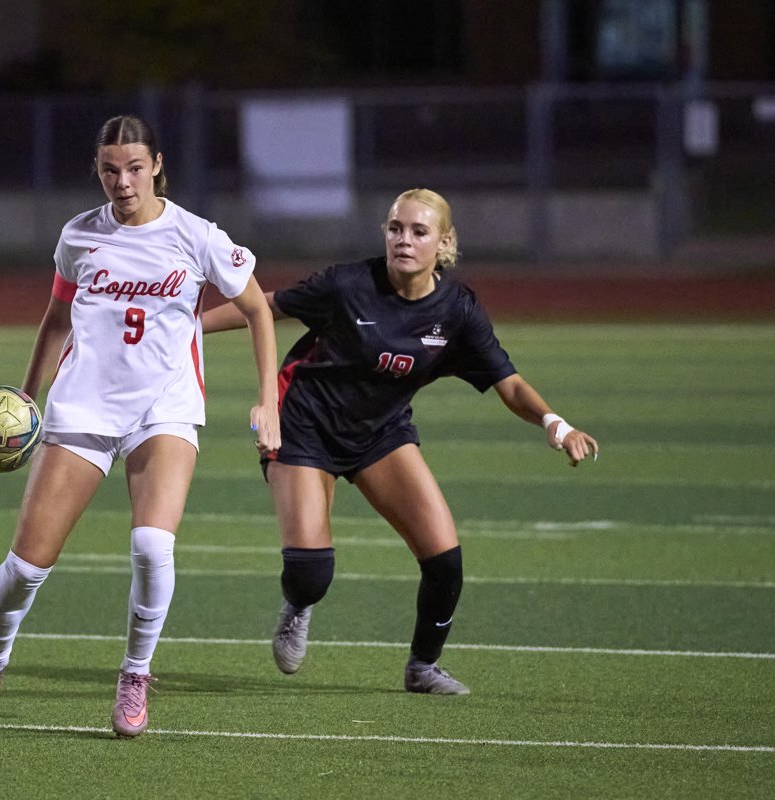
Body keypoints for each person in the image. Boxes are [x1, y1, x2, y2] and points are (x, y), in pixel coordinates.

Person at [0, 115, 281, 737]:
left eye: (134, 168)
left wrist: (269, 400)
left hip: (165, 407)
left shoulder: (197, 235)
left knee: (153, 545)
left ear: (157, 164)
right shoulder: (78, 236)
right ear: (98, 171)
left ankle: (135, 673)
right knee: (25, 567)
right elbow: (56, 320)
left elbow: (259, 309)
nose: (123, 182)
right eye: (110, 169)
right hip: (83, 407)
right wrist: (26, 399)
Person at [202, 188, 598, 694]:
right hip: (303, 424)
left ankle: (422, 668)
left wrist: (555, 424)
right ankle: (298, 605)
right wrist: (186, 327)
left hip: (380, 433)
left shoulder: (456, 311)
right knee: (312, 574)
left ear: (444, 242)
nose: (403, 240)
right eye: (395, 228)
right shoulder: (347, 284)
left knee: (445, 560)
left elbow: (510, 383)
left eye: (418, 231)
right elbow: (264, 305)